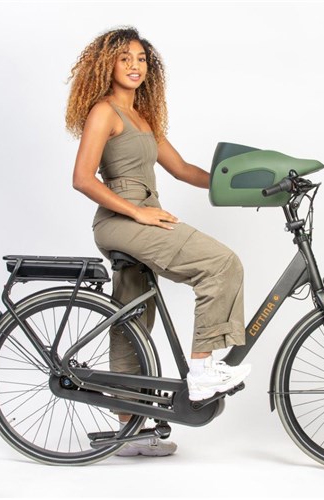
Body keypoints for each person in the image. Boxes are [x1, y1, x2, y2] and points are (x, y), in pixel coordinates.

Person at [65, 27, 250, 456]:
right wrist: (137, 212)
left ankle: (131, 430)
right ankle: (202, 371)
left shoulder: (143, 117)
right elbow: (82, 178)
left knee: (133, 320)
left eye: (141, 59)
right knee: (220, 263)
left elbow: (183, 170)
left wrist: (240, 187)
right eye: (125, 58)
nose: (134, 65)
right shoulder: (104, 112)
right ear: (107, 65)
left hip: (141, 217)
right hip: (121, 220)